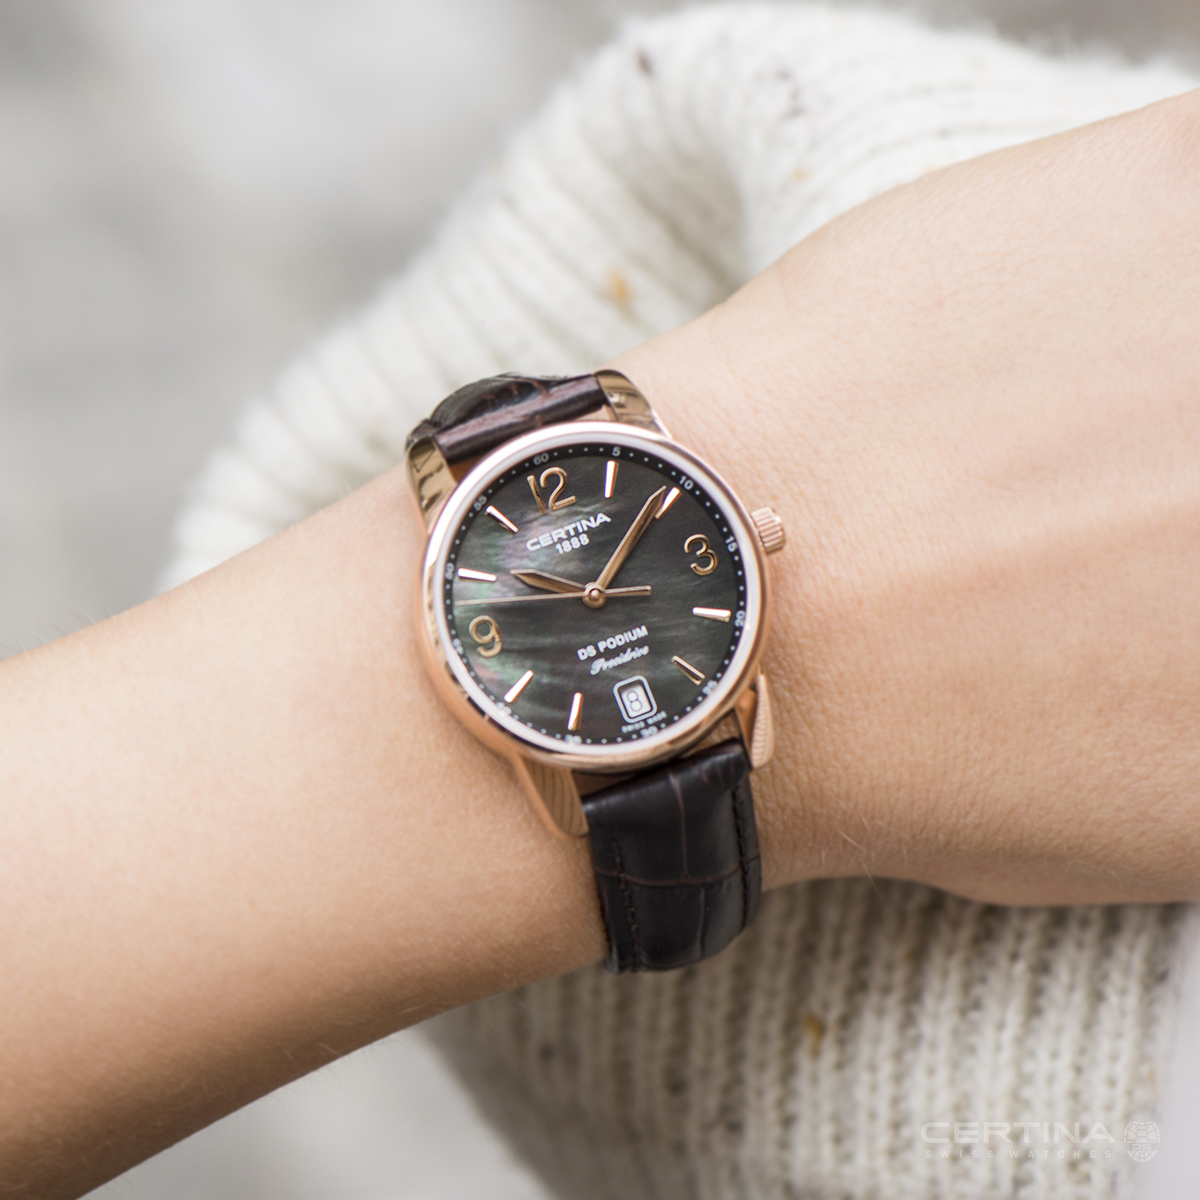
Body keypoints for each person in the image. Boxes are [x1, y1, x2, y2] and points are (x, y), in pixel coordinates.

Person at [3, 65, 1200, 1200]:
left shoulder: (699, 581)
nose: (594, 599)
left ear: (751, 535)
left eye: (612, 573)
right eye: (568, 589)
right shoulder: (501, 655)